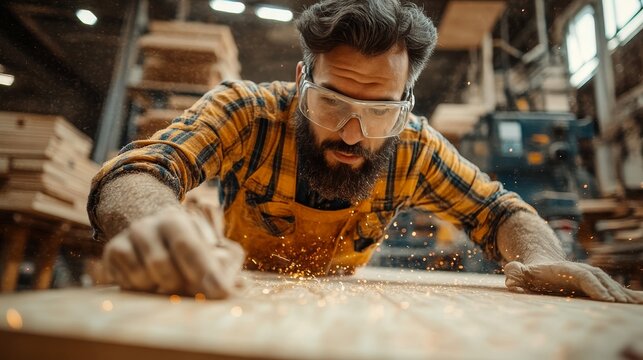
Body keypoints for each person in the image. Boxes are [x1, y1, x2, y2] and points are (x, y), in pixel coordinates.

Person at [88, 0, 641, 303]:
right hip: (228, 294)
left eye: (380, 112)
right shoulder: (249, 113)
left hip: (342, 308)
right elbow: (138, 172)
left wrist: (542, 259)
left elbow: (500, 212)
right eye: (331, 103)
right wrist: (153, 223)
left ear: (406, 101)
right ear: (301, 78)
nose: (353, 133)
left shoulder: (414, 149)